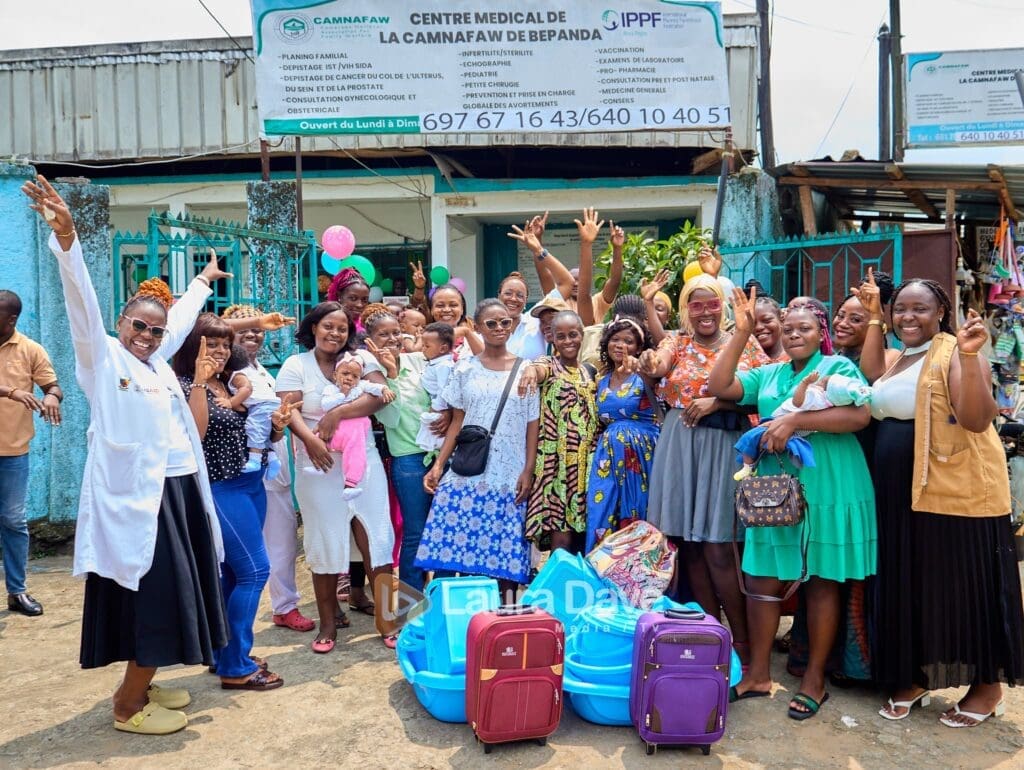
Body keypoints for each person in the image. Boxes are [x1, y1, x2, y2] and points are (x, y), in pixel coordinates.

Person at [26, 174, 228, 734]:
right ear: (120, 325)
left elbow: (180, 319)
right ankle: (127, 704)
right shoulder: (106, 360)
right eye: (137, 325)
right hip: (144, 501)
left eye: (154, 329)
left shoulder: (158, 363)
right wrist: (69, 244)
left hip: (182, 491)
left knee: (177, 592)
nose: (147, 333)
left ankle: (146, 682)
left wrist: (203, 283)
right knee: (158, 598)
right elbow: (81, 309)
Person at [861, 279, 1024, 727]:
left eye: (920, 309)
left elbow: (975, 418)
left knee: (962, 586)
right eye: (901, 310)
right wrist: (875, 313)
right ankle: (917, 675)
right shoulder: (899, 358)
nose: (908, 317)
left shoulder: (953, 350)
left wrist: (972, 356)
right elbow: (872, 372)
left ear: (941, 314)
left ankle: (987, 688)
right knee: (916, 582)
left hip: (955, 491)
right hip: (903, 492)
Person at [708, 288, 877, 721]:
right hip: (774, 491)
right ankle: (759, 674)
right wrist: (742, 332)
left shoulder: (836, 366)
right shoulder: (769, 373)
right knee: (761, 579)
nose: (794, 335)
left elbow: (859, 416)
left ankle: (814, 681)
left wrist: (796, 420)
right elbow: (719, 385)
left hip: (828, 484)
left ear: (821, 331)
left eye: (804, 328)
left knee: (821, 581)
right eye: (788, 329)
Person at [642, 273, 768, 665]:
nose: (705, 312)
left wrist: (719, 403)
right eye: (695, 304)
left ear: (724, 307)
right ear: (686, 310)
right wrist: (650, 360)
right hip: (680, 445)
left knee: (719, 547)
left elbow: (767, 393)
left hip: (723, 446)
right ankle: (713, 635)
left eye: (712, 303)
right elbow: (659, 365)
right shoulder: (676, 342)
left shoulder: (743, 345)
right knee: (690, 547)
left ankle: (745, 644)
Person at [174, 316, 286, 692]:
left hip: (251, 483)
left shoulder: (231, 380)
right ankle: (236, 666)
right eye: (211, 344)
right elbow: (197, 434)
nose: (220, 352)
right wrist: (203, 383)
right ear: (192, 346)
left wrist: (276, 426)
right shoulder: (186, 384)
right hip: (221, 489)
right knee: (255, 571)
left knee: (234, 575)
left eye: (224, 345)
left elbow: (246, 429)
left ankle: (225, 654)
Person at [276, 302, 395, 652]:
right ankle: (328, 625)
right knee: (324, 539)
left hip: (363, 463)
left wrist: (336, 415)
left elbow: (379, 399)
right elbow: (289, 408)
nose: (335, 333)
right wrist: (311, 439)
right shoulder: (296, 364)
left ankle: (387, 621)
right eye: (328, 326)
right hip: (318, 465)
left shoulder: (361, 359)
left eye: (342, 328)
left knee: (377, 537)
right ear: (313, 327)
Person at [418, 299, 539, 602]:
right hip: (467, 471)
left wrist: (528, 469)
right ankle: (452, 619)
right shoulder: (465, 369)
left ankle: (498, 624)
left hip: (509, 473)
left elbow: (532, 425)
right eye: (492, 323)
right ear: (477, 327)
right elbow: (457, 421)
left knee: (501, 556)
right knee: (453, 550)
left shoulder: (527, 369)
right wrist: (438, 465)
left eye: (505, 322)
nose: (500, 328)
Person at [221, 304, 314, 634]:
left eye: (257, 330)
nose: (252, 334)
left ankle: (284, 605)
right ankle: (227, 623)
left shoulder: (261, 369)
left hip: (273, 462)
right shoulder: (223, 371)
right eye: (244, 328)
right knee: (237, 552)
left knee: (283, 538)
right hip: (238, 469)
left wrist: (281, 422)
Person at [361, 305, 449, 595]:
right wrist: (392, 373)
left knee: (445, 530)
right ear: (369, 340)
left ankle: (444, 596)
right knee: (416, 533)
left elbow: (442, 396)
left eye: (396, 332)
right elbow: (391, 418)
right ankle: (412, 603)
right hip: (408, 460)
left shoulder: (422, 360)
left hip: (442, 456)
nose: (392, 339)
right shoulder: (371, 374)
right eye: (382, 335)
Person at [0, 288, 62, 617]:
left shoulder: (31, 350)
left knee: (13, 521)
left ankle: (17, 591)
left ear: (11, 319)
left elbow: (53, 386)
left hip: (12, 452)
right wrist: (10, 391)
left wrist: (51, 396)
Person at [519, 310, 599, 552]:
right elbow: (538, 368)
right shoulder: (549, 366)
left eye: (573, 335)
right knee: (561, 536)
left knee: (583, 537)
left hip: (586, 465)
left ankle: (578, 588)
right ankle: (559, 589)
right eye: (561, 336)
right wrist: (531, 371)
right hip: (558, 466)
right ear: (551, 338)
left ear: (582, 335)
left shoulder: (590, 371)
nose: (568, 341)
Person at [585, 317, 660, 552]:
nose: (620, 345)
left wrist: (640, 366)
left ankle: (640, 579)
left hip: (640, 457)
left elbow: (656, 378)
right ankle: (602, 575)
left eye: (628, 341)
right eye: (615, 339)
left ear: (638, 347)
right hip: (607, 458)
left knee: (639, 513)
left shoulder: (647, 374)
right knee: (602, 511)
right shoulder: (601, 379)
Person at [734, 371, 872, 480]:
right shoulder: (828, 405)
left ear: (827, 390)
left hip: (775, 422)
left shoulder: (817, 396)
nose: (819, 382)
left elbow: (797, 401)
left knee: (749, 438)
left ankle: (748, 467)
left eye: (823, 382)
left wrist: (805, 383)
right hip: (793, 431)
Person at [313, 354, 392, 500]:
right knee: (315, 439)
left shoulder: (361, 386)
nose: (349, 378)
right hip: (334, 430)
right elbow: (326, 405)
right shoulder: (330, 389)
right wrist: (342, 394)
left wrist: (384, 390)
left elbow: (376, 387)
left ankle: (350, 484)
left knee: (355, 453)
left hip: (353, 432)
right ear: (335, 375)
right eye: (345, 373)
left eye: (355, 376)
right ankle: (317, 468)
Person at [223, 347, 282, 478]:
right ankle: (272, 459)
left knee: (253, 427)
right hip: (270, 403)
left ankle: (255, 460)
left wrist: (230, 403)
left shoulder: (237, 375)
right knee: (263, 432)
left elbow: (246, 389)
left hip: (262, 404)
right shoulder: (248, 370)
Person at [414, 322, 455, 454]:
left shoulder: (444, 366)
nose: (423, 349)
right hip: (435, 404)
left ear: (443, 349)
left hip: (440, 408)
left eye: (427, 346)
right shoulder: (434, 363)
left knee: (436, 434)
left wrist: (437, 408)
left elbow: (445, 390)